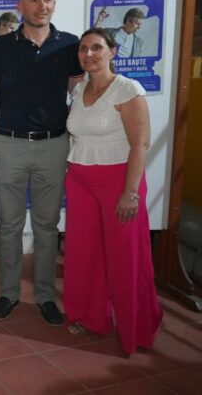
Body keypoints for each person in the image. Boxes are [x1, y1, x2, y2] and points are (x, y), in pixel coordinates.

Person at [0, 0, 84, 326]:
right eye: (35, 0)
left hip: (53, 145)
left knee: (46, 225)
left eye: (49, 0)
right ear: (21, 4)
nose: (43, 6)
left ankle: (44, 296)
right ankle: (9, 293)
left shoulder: (71, 44)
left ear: (54, 4)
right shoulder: (0, 47)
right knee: (9, 224)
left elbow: (79, 92)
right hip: (8, 145)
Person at [63, 28, 162, 354]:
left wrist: (130, 192)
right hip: (79, 181)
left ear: (112, 52)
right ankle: (90, 317)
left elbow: (140, 143)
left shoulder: (127, 89)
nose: (88, 54)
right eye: (83, 49)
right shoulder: (78, 90)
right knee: (84, 255)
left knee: (126, 258)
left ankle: (138, 328)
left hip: (119, 183)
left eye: (96, 48)